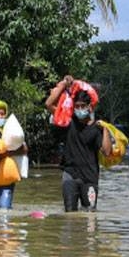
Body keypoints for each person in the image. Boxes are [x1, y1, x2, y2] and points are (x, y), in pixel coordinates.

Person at [45, 76, 112, 211]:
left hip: (90, 177)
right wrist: (64, 84)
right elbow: (49, 105)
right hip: (70, 174)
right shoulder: (69, 121)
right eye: (77, 106)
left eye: (83, 106)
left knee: (90, 216)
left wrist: (105, 130)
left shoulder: (97, 128)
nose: (80, 109)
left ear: (89, 107)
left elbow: (107, 152)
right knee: (70, 214)